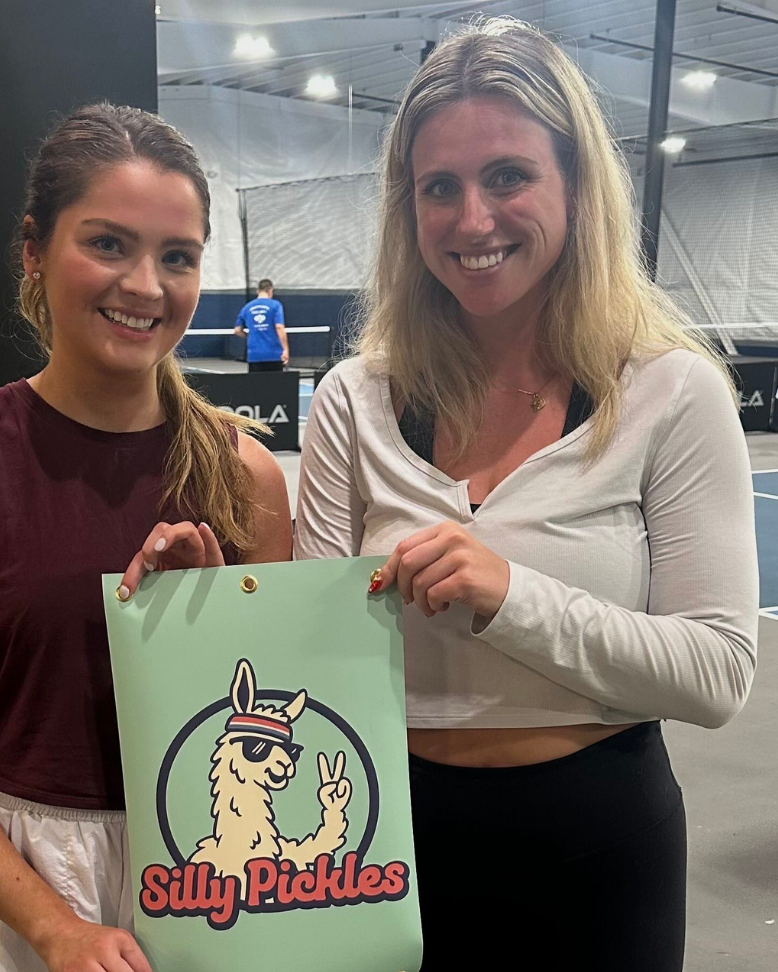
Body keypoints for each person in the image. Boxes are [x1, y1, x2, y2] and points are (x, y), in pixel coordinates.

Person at [294, 18, 757, 972]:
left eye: (508, 175)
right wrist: (201, 603)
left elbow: (716, 674)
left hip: (597, 850)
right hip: (386, 847)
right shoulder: (356, 398)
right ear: (406, 209)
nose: (473, 221)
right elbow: (313, 657)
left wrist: (513, 597)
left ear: (576, 187)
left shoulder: (671, 390)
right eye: (440, 188)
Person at [0, 103, 292, 972]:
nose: (145, 285)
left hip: (203, 874)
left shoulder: (246, 475)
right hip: (8, 884)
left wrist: (203, 629)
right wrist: (54, 924)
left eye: (177, 257)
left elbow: (253, 717)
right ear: (33, 249)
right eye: (108, 244)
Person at [234, 278, 289, 371]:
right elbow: (279, 327)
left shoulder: (247, 307)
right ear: (270, 290)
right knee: (275, 385)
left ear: (257, 291)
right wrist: (285, 350)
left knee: (256, 385)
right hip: (274, 355)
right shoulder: (276, 305)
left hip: (254, 355)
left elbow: (237, 330)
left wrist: (250, 336)